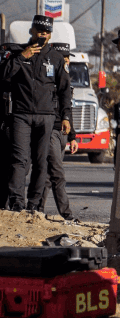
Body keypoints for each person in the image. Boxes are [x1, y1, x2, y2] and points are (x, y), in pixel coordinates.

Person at [0, 16, 72, 211]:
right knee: (19, 160)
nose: (43, 34)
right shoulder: (17, 54)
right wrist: (23, 56)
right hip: (21, 115)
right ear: (31, 31)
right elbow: (3, 76)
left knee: (41, 162)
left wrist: (66, 117)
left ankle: (33, 205)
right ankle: (17, 203)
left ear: (50, 34)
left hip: (46, 117)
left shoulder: (56, 58)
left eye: (47, 31)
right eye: (39, 30)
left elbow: (65, 89)